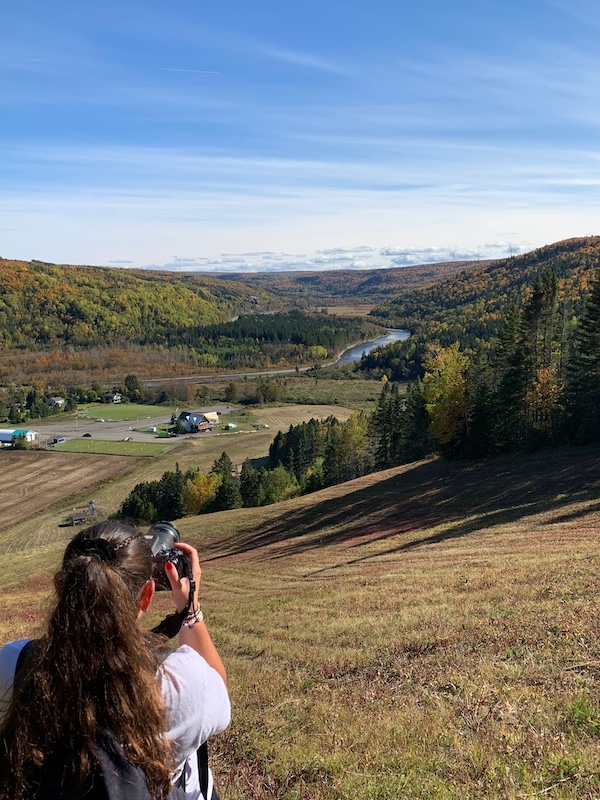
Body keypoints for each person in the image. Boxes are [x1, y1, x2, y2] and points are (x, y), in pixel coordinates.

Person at [0, 520, 230, 800]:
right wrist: (190, 608)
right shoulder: (180, 682)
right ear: (146, 595)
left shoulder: (14, 662)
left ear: (61, 588)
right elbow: (218, 685)